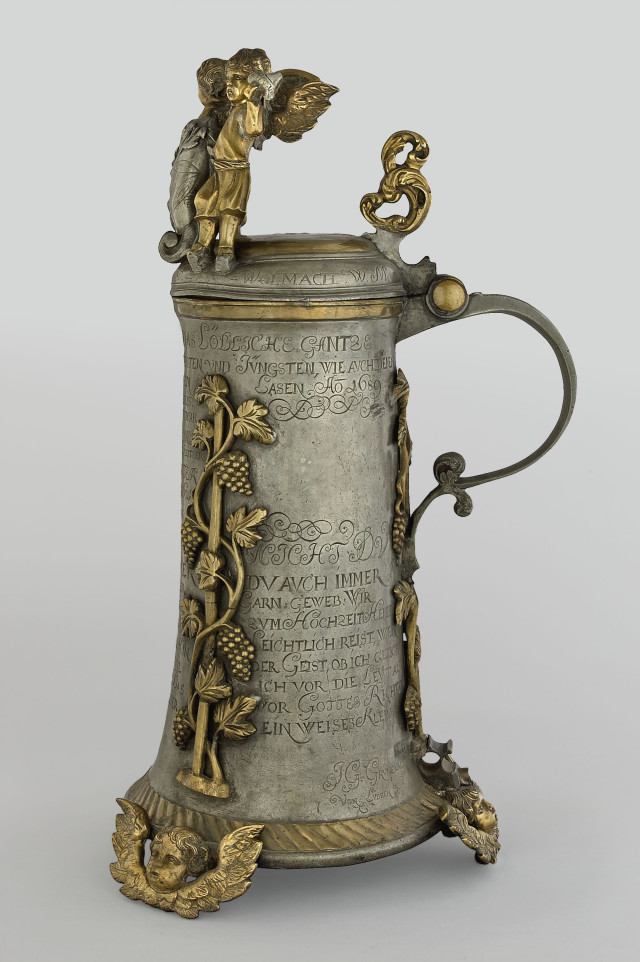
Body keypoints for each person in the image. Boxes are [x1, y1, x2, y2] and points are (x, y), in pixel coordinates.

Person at [187, 48, 278, 274]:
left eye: (237, 79)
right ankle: (202, 245)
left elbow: (254, 128)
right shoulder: (233, 109)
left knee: (230, 209)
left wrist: (255, 100)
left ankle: (225, 250)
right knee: (204, 200)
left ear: (252, 84)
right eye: (229, 79)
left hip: (235, 170)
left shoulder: (247, 110)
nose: (230, 85)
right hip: (220, 169)